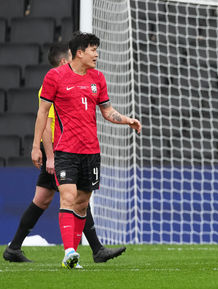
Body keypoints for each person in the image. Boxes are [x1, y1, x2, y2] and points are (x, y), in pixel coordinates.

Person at [4, 43, 126, 264]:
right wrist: (50, 157)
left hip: (63, 149)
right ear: (64, 61)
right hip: (59, 150)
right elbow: (47, 124)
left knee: (44, 199)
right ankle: (94, 249)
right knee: (74, 198)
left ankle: (14, 248)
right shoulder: (56, 83)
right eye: (71, 56)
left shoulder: (72, 81)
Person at [30, 32, 141, 269]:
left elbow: (107, 111)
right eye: (93, 50)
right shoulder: (55, 76)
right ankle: (69, 251)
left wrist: (127, 120)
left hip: (91, 151)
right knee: (68, 197)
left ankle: (72, 256)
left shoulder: (98, 78)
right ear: (79, 52)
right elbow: (42, 113)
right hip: (65, 150)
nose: (96, 54)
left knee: (82, 202)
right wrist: (35, 146)